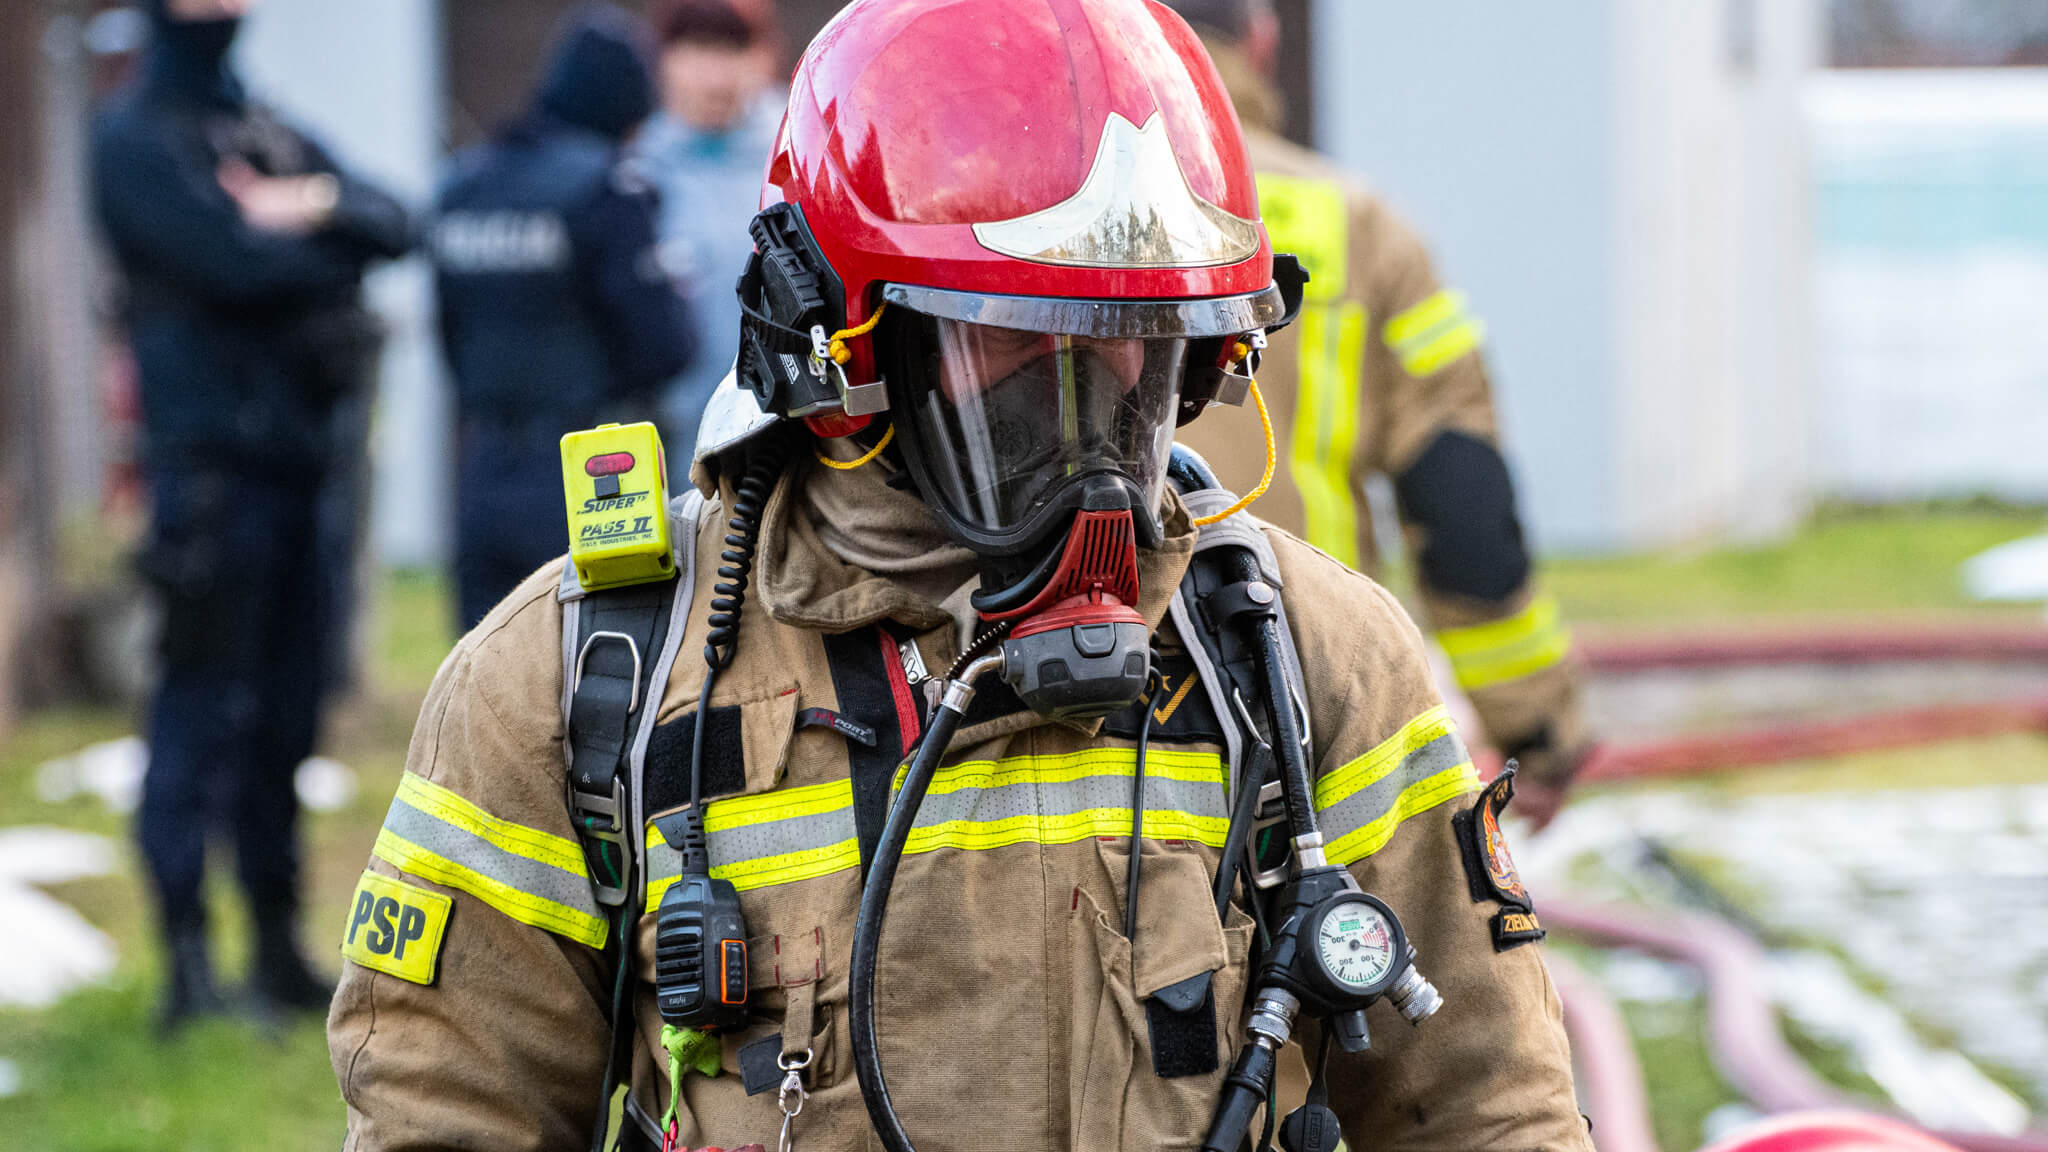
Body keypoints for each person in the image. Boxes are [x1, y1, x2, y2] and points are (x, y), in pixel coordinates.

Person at [329, 2, 1591, 1150]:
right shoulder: (581, 684)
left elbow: (1486, 1112)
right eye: (1014, 342)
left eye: (1137, 343)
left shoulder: (1309, 655)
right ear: (839, 348)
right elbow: (448, 1117)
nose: (1092, 426)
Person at [1165, 0, 1593, 828]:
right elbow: (1460, 497)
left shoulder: (1024, 213)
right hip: (1310, 691)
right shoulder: (1358, 227)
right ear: (1261, 41)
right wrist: (1536, 729)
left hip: (1065, 681)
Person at [92, 0, 411, 1026]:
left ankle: (275, 948)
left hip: (301, 467)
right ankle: (187, 962)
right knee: (200, 712)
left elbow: (395, 220)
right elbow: (234, 265)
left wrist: (305, 202)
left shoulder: (260, 127)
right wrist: (324, 243)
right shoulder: (134, 138)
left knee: (287, 711)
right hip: (209, 477)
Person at [433, 3, 698, 630]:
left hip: (483, 466)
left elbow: (448, 335)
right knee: (603, 656)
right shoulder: (606, 188)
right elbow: (666, 346)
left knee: (486, 659)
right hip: (595, 476)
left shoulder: (462, 186)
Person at [636, 0, 785, 464]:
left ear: (764, 56)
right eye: (700, 49)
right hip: (678, 442)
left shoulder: (797, 154)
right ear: (664, 59)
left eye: (733, 50)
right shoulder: (636, 173)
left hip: (792, 430)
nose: (718, 76)